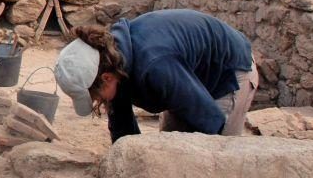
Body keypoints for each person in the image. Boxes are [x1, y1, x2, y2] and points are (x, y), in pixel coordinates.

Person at [53, 9, 258, 142]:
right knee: (170, 147)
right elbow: (122, 129)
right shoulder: (111, 61)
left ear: (106, 78)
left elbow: (211, 124)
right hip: (186, 75)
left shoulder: (156, 68)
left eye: (96, 97)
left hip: (228, 72)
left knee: (214, 158)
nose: (99, 101)